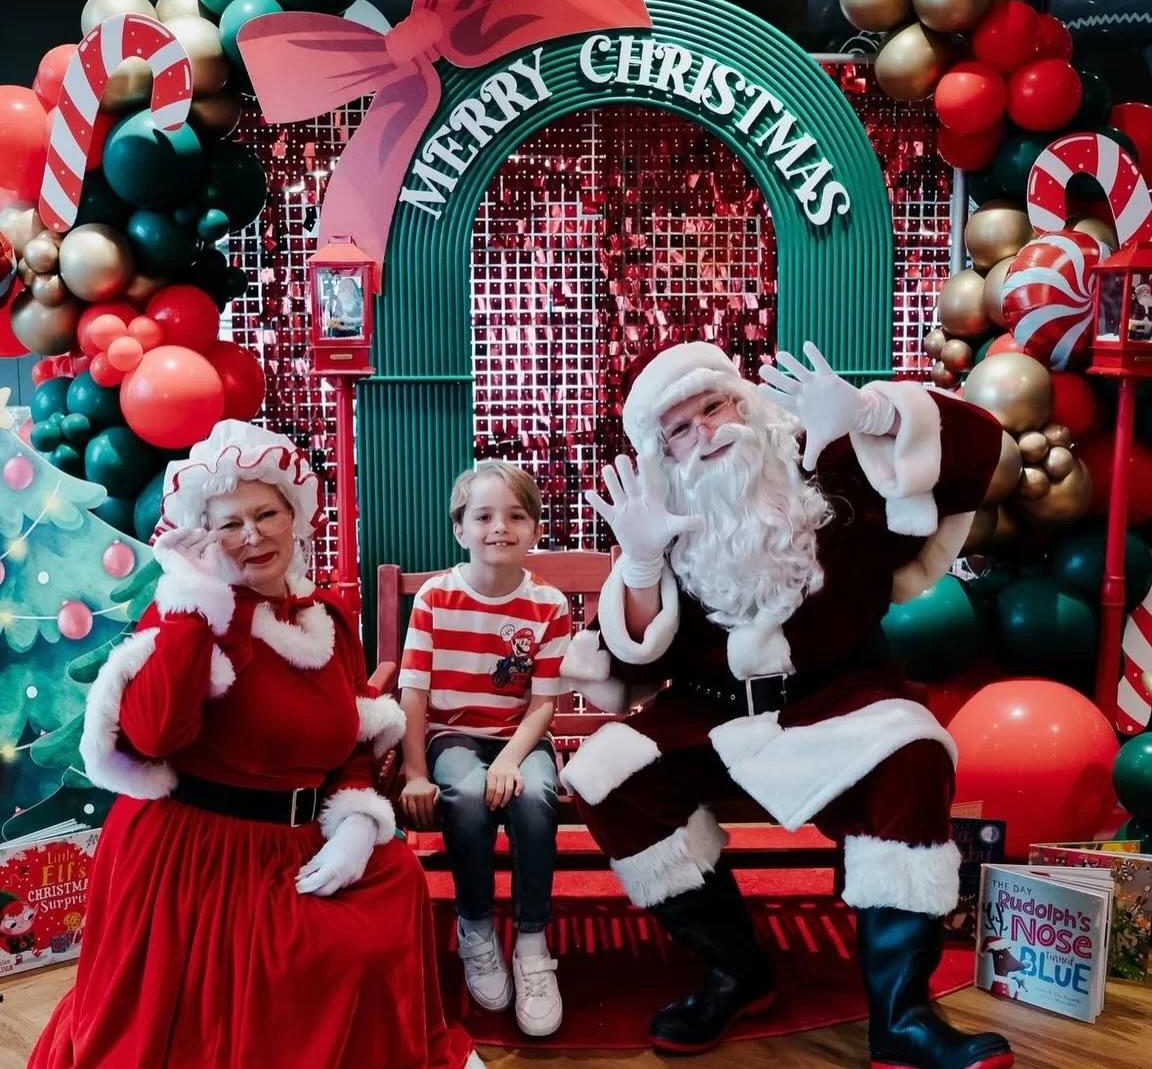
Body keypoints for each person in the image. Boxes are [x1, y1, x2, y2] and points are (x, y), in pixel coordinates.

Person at [558, 341, 1015, 1069]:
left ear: (745, 403)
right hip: (712, 713)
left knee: (915, 754)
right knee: (606, 775)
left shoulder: (831, 464)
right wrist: (640, 561)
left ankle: (900, 1016)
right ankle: (736, 968)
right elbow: (633, 655)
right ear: (662, 451)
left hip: (840, 696)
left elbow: (978, 445)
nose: (705, 431)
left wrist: (873, 411)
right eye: (679, 428)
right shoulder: (664, 512)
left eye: (713, 406)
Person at [29, 420, 480, 1069]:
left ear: (294, 515)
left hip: (301, 842)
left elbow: (348, 739)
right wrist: (194, 601)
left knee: (394, 879)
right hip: (197, 857)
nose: (252, 535)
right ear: (205, 537)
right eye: (230, 523)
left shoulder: (325, 619)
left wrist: (355, 818)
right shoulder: (187, 614)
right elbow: (155, 733)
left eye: (266, 512)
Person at [397, 461, 570, 1038]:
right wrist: (416, 772)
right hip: (451, 734)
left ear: (536, 529)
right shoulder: (435, 597)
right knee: (467, 795)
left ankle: (530, 941)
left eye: (516, 515)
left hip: (519, 736)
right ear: (460, 530)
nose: (500, 527)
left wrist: (509, 759)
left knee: (535, 795)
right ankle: (474, 926)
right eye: (484, 516)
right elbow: (414, 693)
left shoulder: (549, 605)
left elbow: (542, 704)